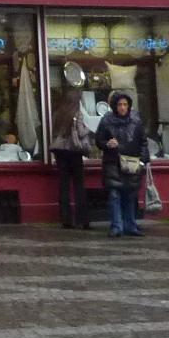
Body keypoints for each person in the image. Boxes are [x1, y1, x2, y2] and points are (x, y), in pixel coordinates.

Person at [93, 91, 148, 237]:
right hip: (113, 163)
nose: (122, 107)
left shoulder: (135, 121)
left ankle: (130, 225)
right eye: (119, 105)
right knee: (114, 195)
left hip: (131, 162)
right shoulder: (106, 121)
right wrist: (107, 143)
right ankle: (117, 225)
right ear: (114, 106)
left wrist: (143, 161)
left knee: (130, 196)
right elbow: (98, 140)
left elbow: (143, 142)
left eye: (125, 104)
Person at [49, 89, 91, 229]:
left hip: (59, 150)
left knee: (64, 185)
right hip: (74, 151)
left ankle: (66, 218)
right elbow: (81, 132)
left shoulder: (57, 113)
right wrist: (90, 128)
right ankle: (82, 219)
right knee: (79, 185)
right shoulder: (77, 113)